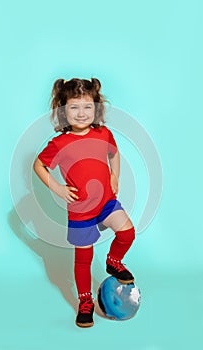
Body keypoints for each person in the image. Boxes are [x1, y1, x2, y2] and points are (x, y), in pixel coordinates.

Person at [33, 78, 135, 328]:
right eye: (74, 107)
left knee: (127, 232)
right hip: (80, 211)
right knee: (84, 258)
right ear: (63, 110)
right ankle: (85, 301)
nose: (81, 113)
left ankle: (114, 261)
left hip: (106, 202)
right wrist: (56, 187)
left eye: (87, 107)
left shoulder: (103, 133)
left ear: (96, 109)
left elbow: (114, 153)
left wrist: (114, 175)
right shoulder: (60, 142)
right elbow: (38, 164)